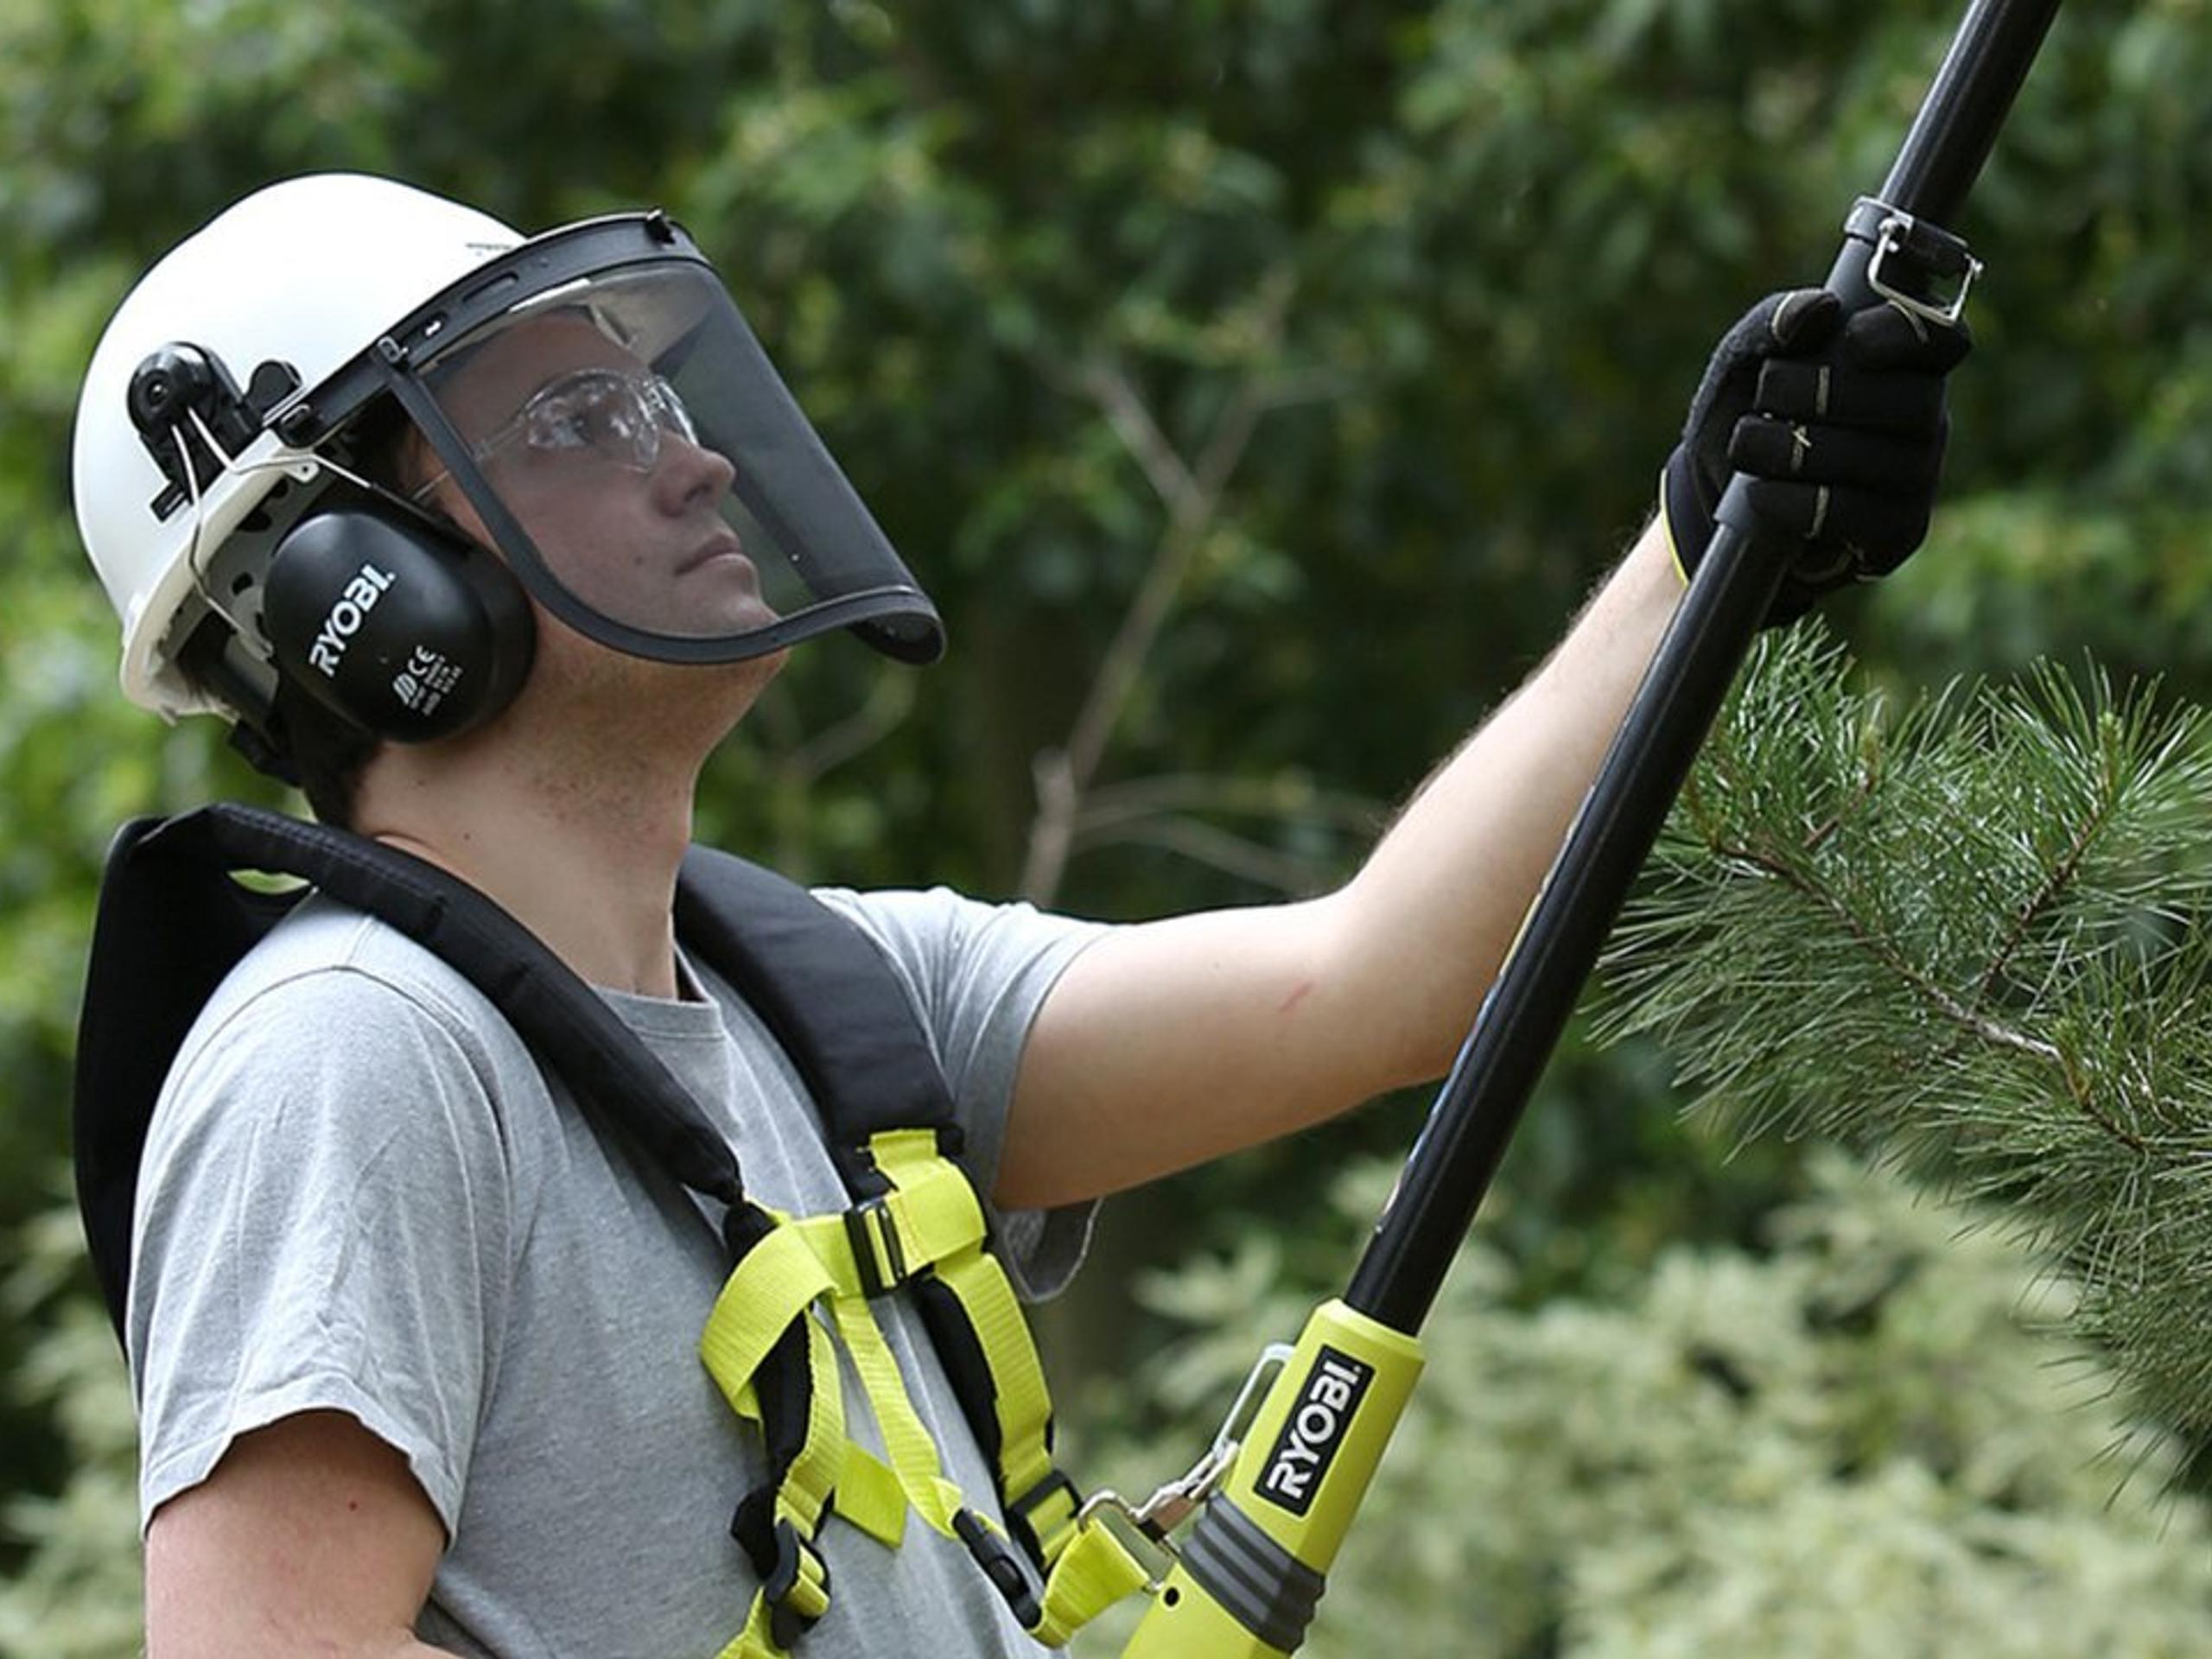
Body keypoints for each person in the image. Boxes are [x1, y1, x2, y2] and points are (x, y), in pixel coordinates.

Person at [69, 174, 1967, 1658]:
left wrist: (1702, 534)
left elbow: (1375, 983)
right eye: (572, 415)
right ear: (353, 583)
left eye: (647, 385)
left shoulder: (824, 1002)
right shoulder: (355, 1057)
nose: (695, 451)